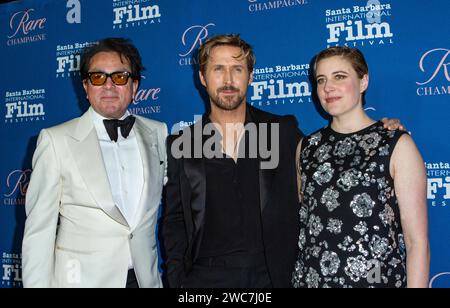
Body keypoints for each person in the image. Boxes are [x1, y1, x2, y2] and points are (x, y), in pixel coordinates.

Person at [161, 34, 404, 288]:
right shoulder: (183, 144)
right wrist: (179, 282)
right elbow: (175, 221)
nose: (228, 79)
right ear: (202, 77)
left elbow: (330, 162)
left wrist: (379, 131)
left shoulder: (281, 131)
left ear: (251, 76)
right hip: (204, 280)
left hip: (272, 277)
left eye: (237, 69)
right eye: (218, 69)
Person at [22, 38, 168, 288]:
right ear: (86, 87)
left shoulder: (158, 133)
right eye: (98, 77)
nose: (109, 86)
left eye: (120, 77)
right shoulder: (56, 141)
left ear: (135, 87)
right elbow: (38, 232)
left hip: (145, 280)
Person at [291, 47, 430, 288]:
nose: (328, 87)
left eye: (340, 76)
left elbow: (416, 242)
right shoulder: (307, 147)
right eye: (321, 80)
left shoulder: (395, 144)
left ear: (363, 81)